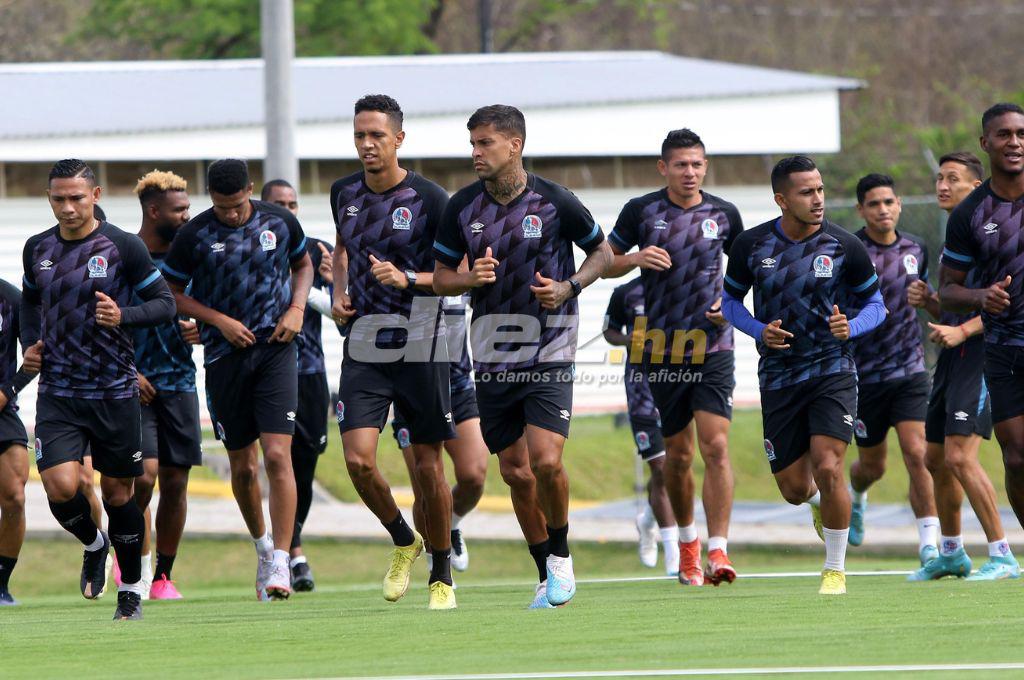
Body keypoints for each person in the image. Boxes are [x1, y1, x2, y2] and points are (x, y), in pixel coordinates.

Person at [433, 104, 612, 608]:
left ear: (514, 146)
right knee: (514, 470)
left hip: (550, 344)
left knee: (547, 461)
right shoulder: (461, 207)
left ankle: (561, 557)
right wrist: (469, 279)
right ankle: (544, 574)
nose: (475, 153)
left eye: (484, 143)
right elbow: (442, 277)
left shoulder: (556, 201)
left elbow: (603, 253)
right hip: (490, 352)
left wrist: (569, 285)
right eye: (472, 143)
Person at [721, 155, 886, 595]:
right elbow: (731, 303)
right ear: (781, 199)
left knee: (830, 465)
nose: (817, 200)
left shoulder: (844, 245)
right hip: (778, 376)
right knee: (795, 488)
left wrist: (851, 326)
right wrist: (759, 330)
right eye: (806, 192)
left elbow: (877, 306)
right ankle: (816, 503)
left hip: (833, 368)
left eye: (820, 190)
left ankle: (834, 569)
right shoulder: (751, 246)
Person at [22, 159, 177, 619]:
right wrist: (31, 342)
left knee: (117, 495)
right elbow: (30, 300)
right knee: (60, 486)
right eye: (58, 199)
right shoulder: (37, 248)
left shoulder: (123, 247)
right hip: (59, 391)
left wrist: (122, 316)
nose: (67, 208)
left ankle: (130, 588)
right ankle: (94, 543)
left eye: (76, 198)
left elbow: (164, 305)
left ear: (96, 195)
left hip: (113, 391)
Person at [163, 158, 313, 600]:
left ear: (250, 189)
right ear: (211, 198)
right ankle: (263, 547)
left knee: (277, 455)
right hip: (225, 357)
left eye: (238, 204)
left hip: (276, 351)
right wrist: (217, 321)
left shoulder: (280, 221)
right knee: (243, 466)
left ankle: (283, 561)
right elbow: (170, 293)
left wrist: (296, 308)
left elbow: (303, 265)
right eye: (222, 207)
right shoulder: (194, 235)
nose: (231, 214)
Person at [329, 94, 457, 610]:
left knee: (427, 468)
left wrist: (409, 279)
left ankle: (442, 575)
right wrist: (340, 292)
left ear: (399, 139)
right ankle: (405, 539)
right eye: (360, 135)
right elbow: (342, 250)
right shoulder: (343, 192)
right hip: (363, 341)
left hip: (421, 336)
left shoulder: (430, 198)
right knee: (358, 461)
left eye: (376, 135)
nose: (366, 144)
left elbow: (458, 276)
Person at [605, 128, 741, 586]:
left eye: (697, 164)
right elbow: (604, 261)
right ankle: (687, 547)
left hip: (714, 345)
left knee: (716, 445)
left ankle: (719, 550)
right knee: (678, 459)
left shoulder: (724, 214)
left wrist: (734, 308)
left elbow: (747, 272)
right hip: (664, 351)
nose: (690, 172)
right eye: (681, 164)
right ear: (663, 168)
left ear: (706, 167)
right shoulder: (642, 211)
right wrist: (637, 257)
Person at [907, 151, 1005, 581]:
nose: (942, 186)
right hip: (952, 357)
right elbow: (957, 300)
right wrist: (930, 302)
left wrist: (963, 332)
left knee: (961, 457)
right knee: (934, 459)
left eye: (953, 179)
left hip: (982, 354)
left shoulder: (992, 234)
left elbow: (1007, 306)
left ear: (976, 187)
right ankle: (951, 552)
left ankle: (1002, 555)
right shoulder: (957, 234)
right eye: (939, 179)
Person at [938, 102, 1024, 580]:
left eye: (1021, 133)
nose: (1014, 142)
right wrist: (980, 295)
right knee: (1015, 454)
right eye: (1004, 134)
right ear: (985, 143)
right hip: (1005, 347)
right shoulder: (970, 213)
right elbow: (947, 289)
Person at [845, 173, 939, 564]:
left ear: (899, 204)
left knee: (918, 452)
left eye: (889, 202)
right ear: (861, 210)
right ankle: (858, 497)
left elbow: (931, 300)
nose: (883, 210)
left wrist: (929, 299)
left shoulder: (917, 248)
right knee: (872, 466)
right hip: (865, 376)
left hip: (910, 370)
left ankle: (930, 545)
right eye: (874, 204)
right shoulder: (848, 251)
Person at [128, 170, 203, 600]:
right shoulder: (125, 256)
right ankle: (129, 566)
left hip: (180, 381)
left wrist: (201, 331)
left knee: (175, 481)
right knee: (143, 479)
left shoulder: (187, 259)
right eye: (180, 210)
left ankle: (162, 577)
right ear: (154, 211)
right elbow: (106, 323)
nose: (187, 216)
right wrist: (128, 372)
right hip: (133, 384)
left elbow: (206, 310)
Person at [261, 179, 335, 592]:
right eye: (278, 203)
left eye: (292, 203)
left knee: (303, 467)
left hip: (309, 371)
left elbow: (346, 312)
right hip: (266, 367)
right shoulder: (249, 246)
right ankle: (288, 554)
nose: (287, 209)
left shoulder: (317, 250)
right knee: (276, 459)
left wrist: (331, 281)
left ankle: (291, 543)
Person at [391, 292, 488, 574]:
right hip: (413, 387)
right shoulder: (406, 258)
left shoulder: (461, 258)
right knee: (425, 489)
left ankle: (452, 522)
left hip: (457, 386)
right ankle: (438, 567)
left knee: (474, 475)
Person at [603, 276, 679, 576]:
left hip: (676, 384)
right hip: (641, 390)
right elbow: (609, 331)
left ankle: (648, 519)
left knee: (672, 466)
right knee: (660, 467)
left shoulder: (683, 288)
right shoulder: (626, 292)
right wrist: (626, 340)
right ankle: (674, 551)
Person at [0, 281, 42, 605]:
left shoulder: (12, 299)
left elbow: (36, 354)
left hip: (2, 409)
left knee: (14, 496)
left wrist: (7, 391)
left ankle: (1, 584)